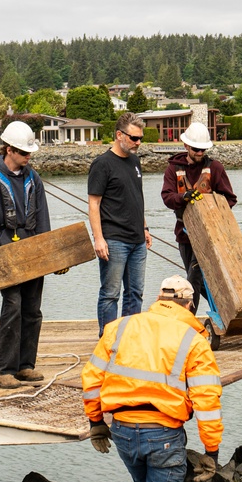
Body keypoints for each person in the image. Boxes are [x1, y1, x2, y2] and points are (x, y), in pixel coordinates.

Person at [81, 275, 223, 482]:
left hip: (123, 433)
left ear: (158, 300)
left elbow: (91, 379)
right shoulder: (194, 340)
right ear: (189, 305)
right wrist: (211, 451)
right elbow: (207, 400)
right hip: (162, 434)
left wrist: (96, 423)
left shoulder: (120, 327)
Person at [0, 121, 56, 389]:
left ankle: (26, 366)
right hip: (5, 252)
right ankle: (4, 370)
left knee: (33, 309)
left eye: (30, 153)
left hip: (32, 250)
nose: (29, 157)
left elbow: (42, 217)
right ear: (9, 150)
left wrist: (52, 253)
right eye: (24, 152)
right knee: (13, 306)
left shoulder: (34, 178)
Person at [87, 112, 152, 337]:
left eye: (140, 138)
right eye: (134, 138)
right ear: (119, 135)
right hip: (113, 240)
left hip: (137, 240)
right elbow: (94, 204)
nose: (138, 143)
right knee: (110, 293)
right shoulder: (102, 164)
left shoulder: (135, 161)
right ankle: (108, 339)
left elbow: (137, 196)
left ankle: (129, 339)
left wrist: (144, 228)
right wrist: (98, 239)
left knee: (135, 293)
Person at [160, 122, 236, 313]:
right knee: (196, 279)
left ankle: (188, 319)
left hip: (209, 235)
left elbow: (229, 199)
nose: (200, 153)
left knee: (194, 276)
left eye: (203, 149)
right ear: (186, 146)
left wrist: (212, 209)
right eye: (196, 149)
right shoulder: (173, 169)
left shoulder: (215, 168)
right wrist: (183, 197)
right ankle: (224, 310)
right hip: (184, 234)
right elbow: (167, 197)